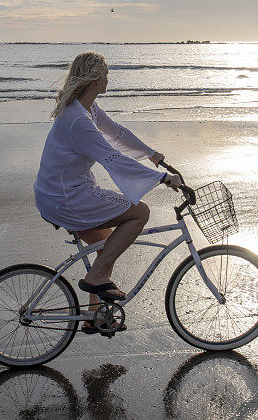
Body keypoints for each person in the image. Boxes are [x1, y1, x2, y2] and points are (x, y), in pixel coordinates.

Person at [33, 52, 182, 333]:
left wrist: (151, 155)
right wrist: (162, 177)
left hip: (61, 193)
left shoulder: (86, 108)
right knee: (140, 213)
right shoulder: (78, 120)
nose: (108, 79)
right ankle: (97, 277)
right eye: (106, 74)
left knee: (106, 246)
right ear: (96, 79)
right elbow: (111, 156)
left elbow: (118, 134)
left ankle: (94, 315)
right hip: (66, 198)